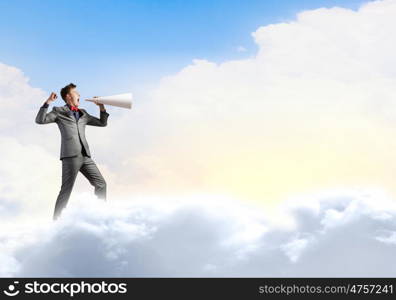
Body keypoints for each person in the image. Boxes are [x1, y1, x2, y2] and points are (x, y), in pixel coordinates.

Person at [35, 83, 109, 220]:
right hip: (70, 156)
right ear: (68, 96)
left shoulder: (83, 114)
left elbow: (102, 123)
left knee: (101, 184)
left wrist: (102, 107)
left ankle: (101, 215)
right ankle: (56, 222)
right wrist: (48, 102)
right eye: (76, 93)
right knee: (66, 191)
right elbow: (40, 120)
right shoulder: (59, 111)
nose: (79, 95)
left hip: (85, 156)